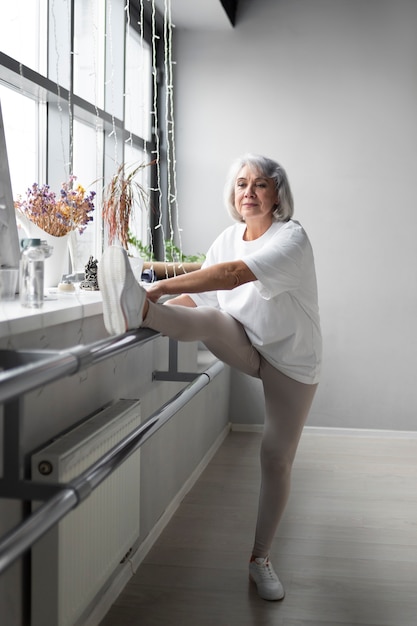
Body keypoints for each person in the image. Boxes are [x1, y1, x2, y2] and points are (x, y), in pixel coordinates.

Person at [98, 153, 322, 601]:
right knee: (208, 319)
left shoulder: (291, 238)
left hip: (291, 360)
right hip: (245, 340)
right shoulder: (227, 237)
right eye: (242, 184)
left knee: (275, 457)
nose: (250, 193)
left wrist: (161, 286)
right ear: (233, 194)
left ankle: (260, 559)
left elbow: (233, 274)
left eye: (260, 184)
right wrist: (145, 295)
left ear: (278, 194)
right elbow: (203, 292)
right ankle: (137, 311)